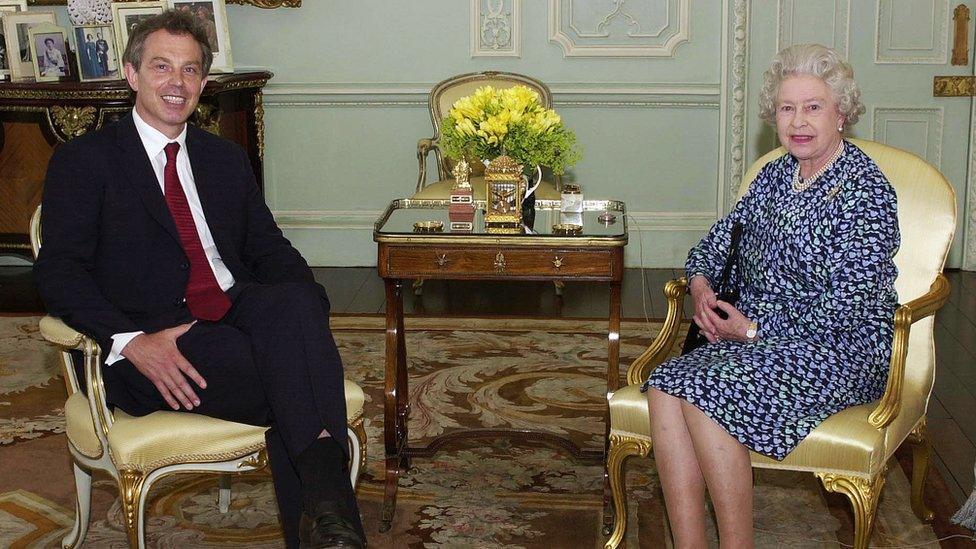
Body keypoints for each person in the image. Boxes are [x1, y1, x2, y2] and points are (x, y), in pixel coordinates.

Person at [33, 11, 364, 549]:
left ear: (204, 84)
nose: (176, 83)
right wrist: (130, 342)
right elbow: (59, 270)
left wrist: (308, 305)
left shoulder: (225, 159)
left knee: (294, 306)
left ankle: (327, 524)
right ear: (131, 74)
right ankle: (333, 524)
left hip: (233, 309)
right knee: (299, 376)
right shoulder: (84, 160)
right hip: (158, 340)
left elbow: (269, 250)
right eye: (161, 67)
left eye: (190, 71)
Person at [641, 43, 899, 547]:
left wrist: (753, 330)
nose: (798, 121)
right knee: (665, 384)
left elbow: (849, 306)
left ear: (840, 114)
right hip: (763, 340)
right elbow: (717, 242)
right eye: (787, 108)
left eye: (813, 107)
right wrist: (700, 286)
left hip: (840, 349)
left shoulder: (866, 190)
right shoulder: (776, 173)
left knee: (703, 393)